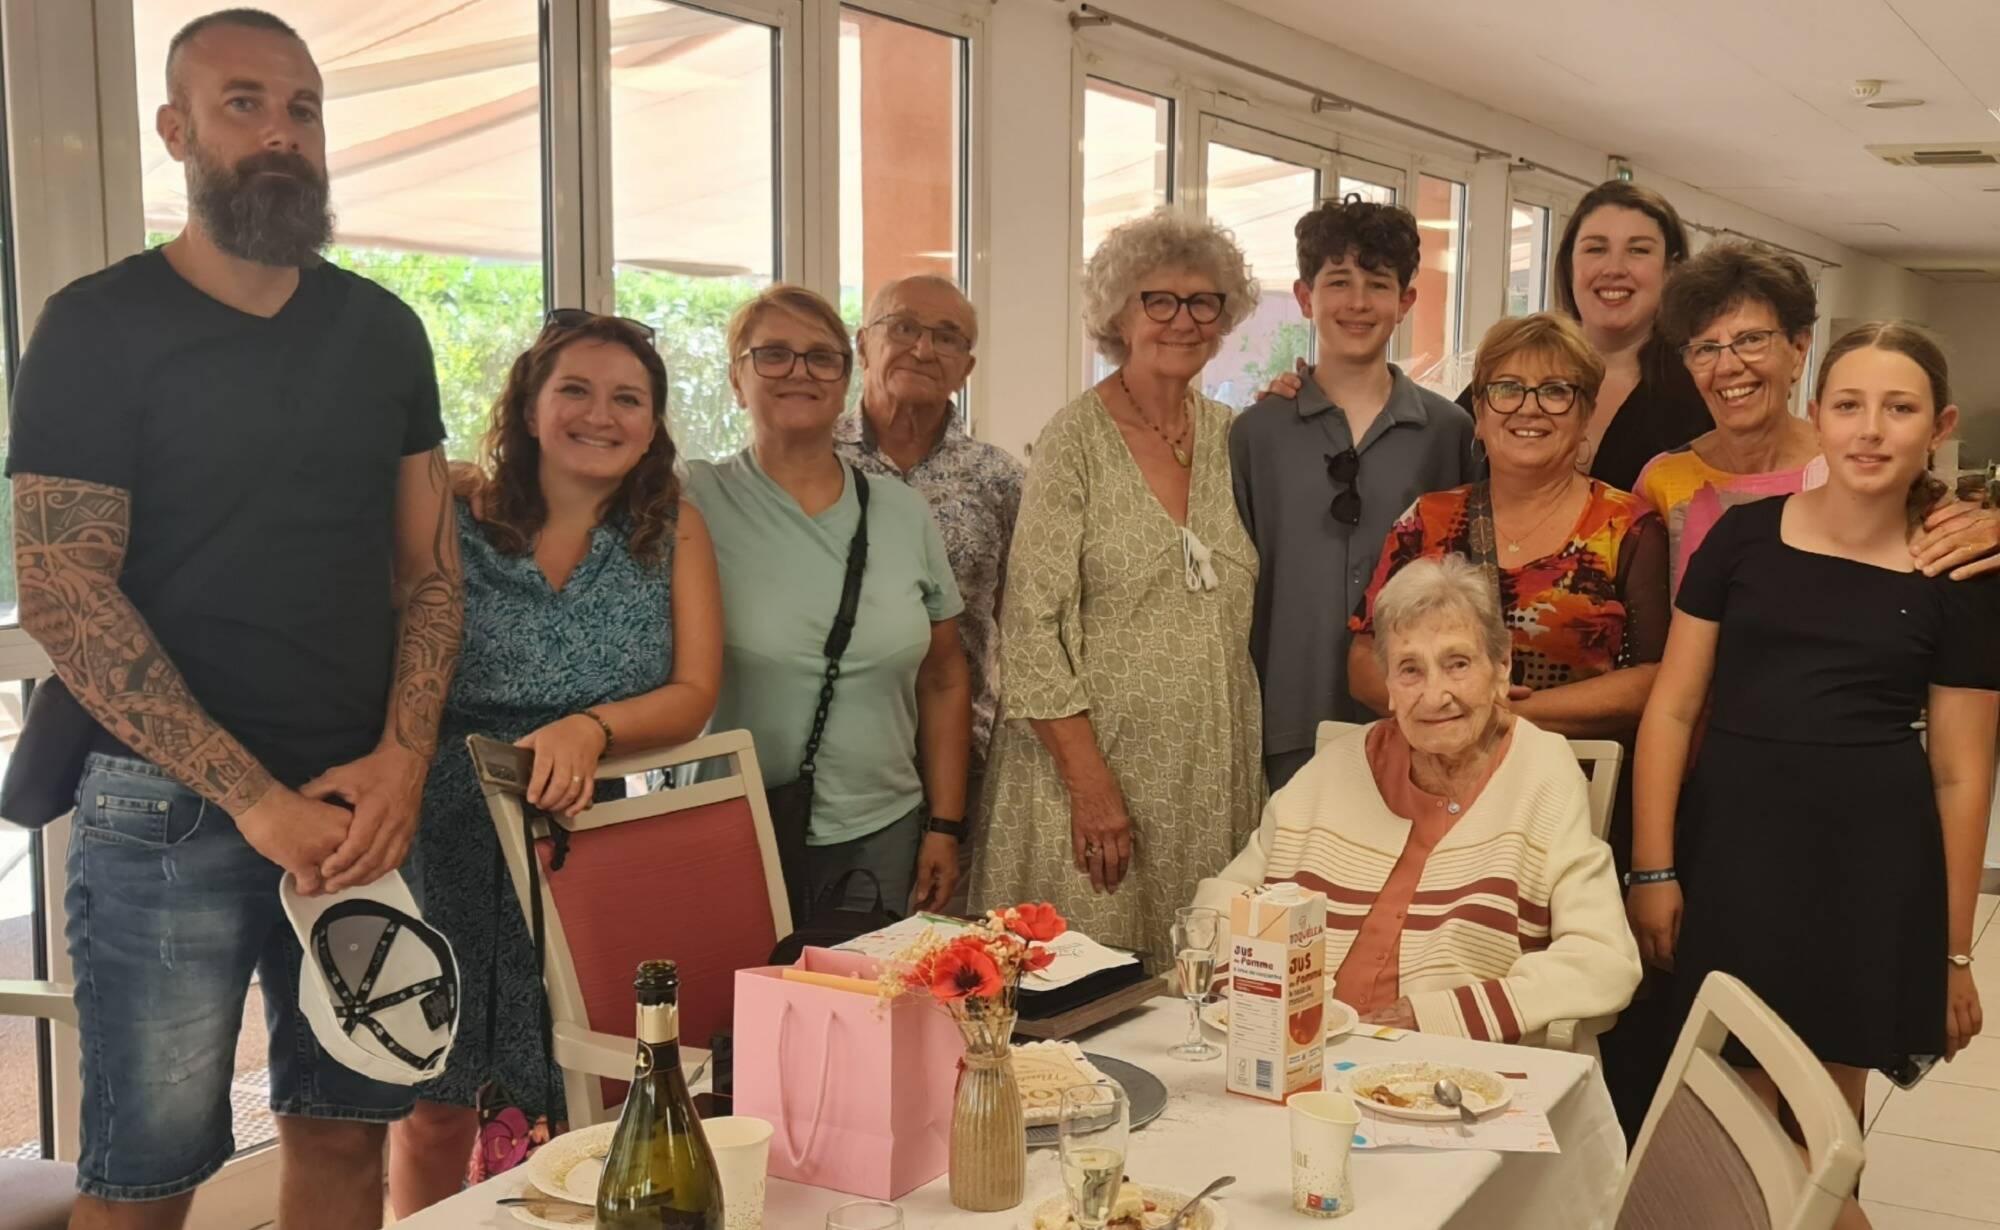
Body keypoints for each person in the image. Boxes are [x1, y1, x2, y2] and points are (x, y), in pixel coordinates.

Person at [6, 11, 461, 1229]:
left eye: (303, 108)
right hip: (164, 815)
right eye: (244, 103)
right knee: (146, 1183)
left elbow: (426, 573)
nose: (280, 134)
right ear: (176, 130)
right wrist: (254, 801)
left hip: (361, 808)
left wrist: (405, 759)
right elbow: (61, 587)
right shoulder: (97, 327)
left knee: (342, 1145)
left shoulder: (383, 331)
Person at [1628, 324, 2000, 1225]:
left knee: (1822, 1141)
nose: (1872, 430)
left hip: (1871, 877)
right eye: (1849, 405)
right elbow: (1672, 709)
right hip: (1734, 859)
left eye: (1899, 408)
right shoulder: (1743, 540)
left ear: (1938, 427)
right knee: (1724, 1124)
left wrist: (1954, 952)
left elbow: (1960, 773)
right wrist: (1653, 866)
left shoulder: (1956, 574)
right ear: (1818, 417)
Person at [387, 312, 723, 1215]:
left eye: (629, 398)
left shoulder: (672, 531)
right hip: (448, 831)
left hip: (598, 835)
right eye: (574, 389)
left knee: (599, 1083)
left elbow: (695, 691)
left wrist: (592, 727)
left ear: (653, 424)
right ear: (529, 407)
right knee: (435, 1095)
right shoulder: (453, 514)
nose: (600, 415)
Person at [971, 209, 1264, 970]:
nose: (1183, 320)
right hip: (1090, 773)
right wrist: (1092, 788)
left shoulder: (1240, 439)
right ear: (1118, 315)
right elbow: (1030, 626)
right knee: (1082, 1001)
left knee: (1201, 994)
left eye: (1204, 302)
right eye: (1157, 300)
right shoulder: (1075, 440)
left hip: (1208, 769)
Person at [1194, 556, 1640, 1041]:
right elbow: (1219, 907)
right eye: (1410, 670)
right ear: (1387, 685)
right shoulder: (1336, 768)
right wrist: (1256, 996)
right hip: (1297, 1050)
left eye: (1458, 664)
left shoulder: (1541, 771)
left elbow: (1604, 959)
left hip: (1449, 1068)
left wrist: (1442, 1015)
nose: (1434, 695)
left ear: (1502, 666)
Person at [686, 284, 971, 914]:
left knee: (865, 1007)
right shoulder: (692, 497)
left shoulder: (902, 511)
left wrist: (944, 826)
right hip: (730, 828)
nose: (799, 372)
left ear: (845, 379)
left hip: (881, 835)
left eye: (822, 357)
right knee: (731, 1011)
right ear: (738, 380)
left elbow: (945, 677)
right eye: (773, 355)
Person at [1349, 312, 1669, 840]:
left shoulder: (1627, 528)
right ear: (1479, 410)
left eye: (1555, 391)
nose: (1529, 407)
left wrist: (1508, 713)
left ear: (1586, 411)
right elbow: (1363, 660)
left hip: (1567, 800)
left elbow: (1654, 679)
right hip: (1426, 796)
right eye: (1508, 388)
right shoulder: (1425, 521)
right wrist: (1455, 710)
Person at [1231, 196, 1478, 791]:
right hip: (1283, 718)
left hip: (1418, 722)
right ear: (1304, 297)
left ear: (1406, 302)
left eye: (1378, 283)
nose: (1358, 302)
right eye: (1338, 281)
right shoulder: (1256, 434)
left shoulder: (1450, 433)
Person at [1643, 240, 2000, 594]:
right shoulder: (1662, 480)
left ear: (1799, 350)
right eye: (1705, 348)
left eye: (1751, 340)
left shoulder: (1859, 468)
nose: (1728, 366)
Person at [835, 275, 1025, 904]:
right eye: (904, 327)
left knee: (941, 939)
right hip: (837, 749)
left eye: (947, 337)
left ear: (966, 367)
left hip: (961, 749)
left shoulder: (998, 478)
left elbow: (1021, 618)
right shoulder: (813, 458)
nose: (923, 349)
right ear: (864, 344)